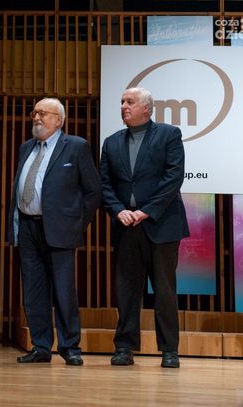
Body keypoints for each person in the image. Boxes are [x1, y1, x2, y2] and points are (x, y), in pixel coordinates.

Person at [99, 87, 189, 369]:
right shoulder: (111, 142)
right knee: (126, 290)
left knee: (164, 290)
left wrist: (146, 211)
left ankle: (169, 350)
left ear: (147, 108)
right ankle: (124, 348)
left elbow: (173, 177)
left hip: (161, 224)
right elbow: (105, 184)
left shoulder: (169, 134)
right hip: (126, 226)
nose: (123, 106)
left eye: (130, 102)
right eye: (122, 102)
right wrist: (119, 210)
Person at [9, 97, 102, 365]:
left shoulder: (76, 146)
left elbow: (93, 191)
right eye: (34, 113)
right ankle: (40, 346)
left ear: (59, 120)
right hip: (28, 227)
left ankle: (70, 347)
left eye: (43, 113)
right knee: (33, 291)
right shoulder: (26, 147)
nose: (37, 117)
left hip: (61, 230)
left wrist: (77, 224)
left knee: (63, 291)